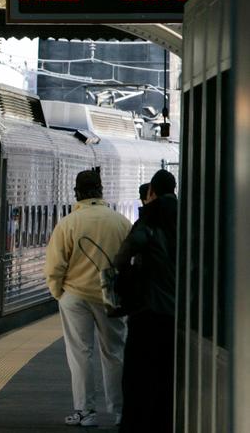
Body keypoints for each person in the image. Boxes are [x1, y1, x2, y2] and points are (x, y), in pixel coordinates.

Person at [45, 169, 132, 427]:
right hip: (111, 297)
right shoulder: (120, 222)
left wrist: (59, 292)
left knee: (81, 354)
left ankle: (85, 412)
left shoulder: (69, 223)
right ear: (101, 190)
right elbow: (130, 261)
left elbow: (54, 266)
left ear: (77, 193)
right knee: (114, 353)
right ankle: (119, 413)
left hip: (75, 296)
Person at [112, 170, 177, 432]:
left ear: (151, 192)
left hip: (149, 310)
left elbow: (121, 258)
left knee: (140, 375)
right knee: (168, 375)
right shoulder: (193, 215)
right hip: (181, 315)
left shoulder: (150, 218)